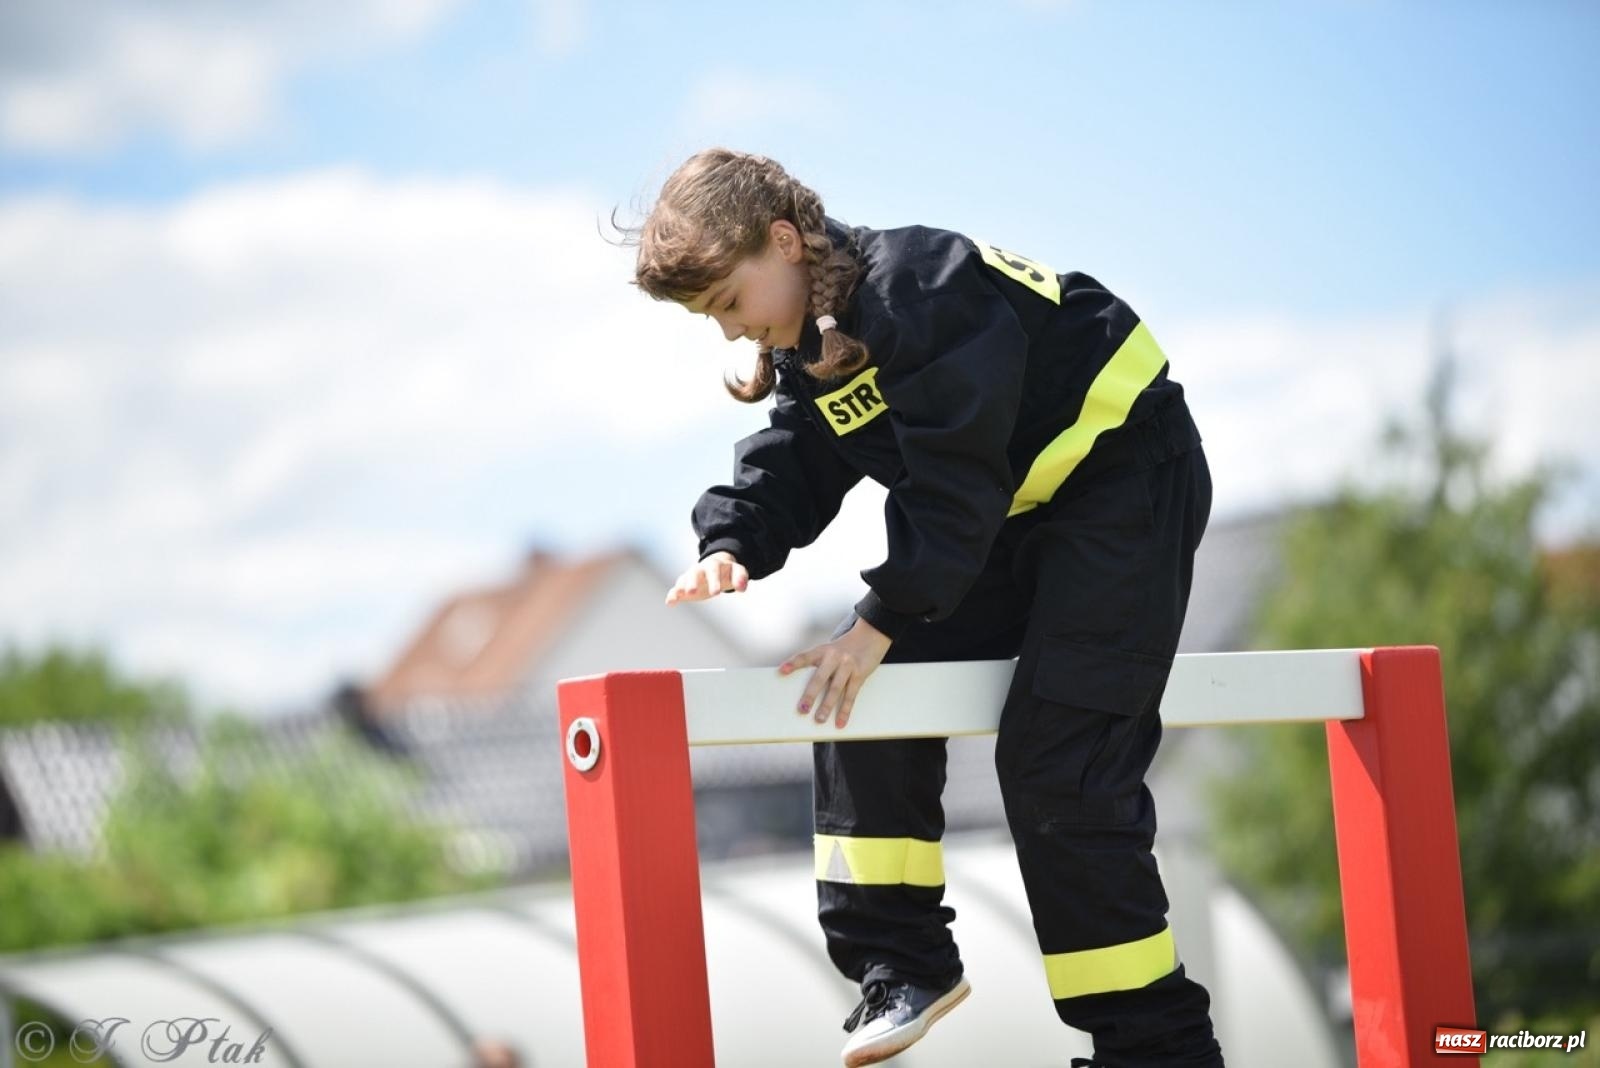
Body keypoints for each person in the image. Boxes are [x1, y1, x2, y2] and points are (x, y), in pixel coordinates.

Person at [626, 147, 1223, 1068]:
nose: (729, 333)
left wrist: (879, 619)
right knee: (853, 687)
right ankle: (902, 964)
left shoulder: (920, 290)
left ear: (784, 241)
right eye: (712, 320)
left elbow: (954, 494)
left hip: (1124, 484)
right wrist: (731, 541)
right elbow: (798, 453)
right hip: (1009, 522)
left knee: (1057, 763)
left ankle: (1154, 1048)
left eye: (731, 304)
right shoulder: (814, 340)